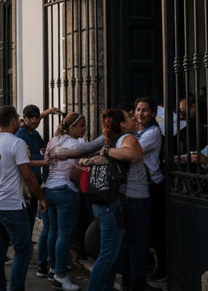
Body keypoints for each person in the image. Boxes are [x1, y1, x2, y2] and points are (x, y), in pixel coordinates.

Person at [0, 105, 47, 291]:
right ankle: (16, 288)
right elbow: (28, 175)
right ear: (13, 121)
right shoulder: (16, 143)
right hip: (12, 204)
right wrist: (41, 197)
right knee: (23, 249)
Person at [87, 108, 143, 291]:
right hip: (111, 205)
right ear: (122, 124)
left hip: (104, 204)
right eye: (129, 117)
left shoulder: (113, 140)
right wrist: (107, 150)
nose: (134, 117)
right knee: (108, 257)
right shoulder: (127, 139)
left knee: (110, 257)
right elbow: (130, 155)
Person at [40, 113, 87, 291]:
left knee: (54, 230)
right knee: (64, 234)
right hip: (66, 189)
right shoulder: (77, 144)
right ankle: (60, 275)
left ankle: (53, 268)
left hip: (50, 189)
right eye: (81, 125)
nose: (84, 128)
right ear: (72, 128)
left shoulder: (54, 140)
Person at [131, 98, 164, 284]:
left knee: (156, 229)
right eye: (137, 109)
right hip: (141, 186)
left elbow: (133, 152)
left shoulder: (152, 132)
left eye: (144, 110)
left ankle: (162, 268)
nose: (140, 114)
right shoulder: (136, 131)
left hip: (153, 186)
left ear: (153, 114)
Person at [15, 104, 60, 232]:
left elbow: (42, 147)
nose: (35, 121)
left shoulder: (34, 133)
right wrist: (41, 156)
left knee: (32, 211)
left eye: (37, 118)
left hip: (36, 177)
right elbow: (23, 158)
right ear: (25, 118)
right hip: (27, 179)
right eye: (31, 118)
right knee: (27, 213)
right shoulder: (20, 135)